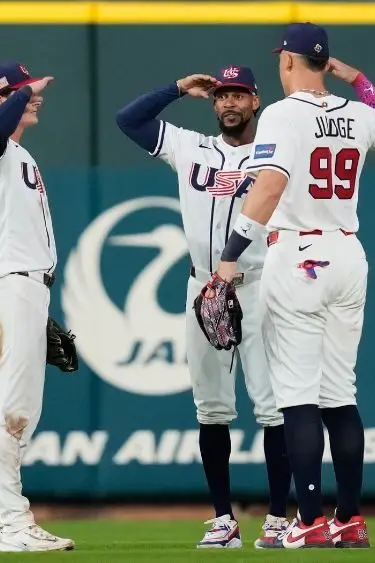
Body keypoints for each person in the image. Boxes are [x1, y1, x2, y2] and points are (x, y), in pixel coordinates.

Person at [206, 22, 375, 549]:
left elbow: (269, 185)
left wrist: (229, 258)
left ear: (289, 62)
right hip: (348, 252)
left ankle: (310, 520)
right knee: (340, 394)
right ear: (326, 63)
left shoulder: (280, 113)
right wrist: (359, 78)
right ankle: (351, 518)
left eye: (282, 58)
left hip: (297, 253)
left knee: (297, 395)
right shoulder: (360, 115)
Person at [115, 66, 293, 549]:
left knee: (273, 407)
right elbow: (128, 121)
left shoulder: (276, 152)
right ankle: (223, 520)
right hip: (203, 285)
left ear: (256, 101)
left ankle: (278, 518)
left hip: (259, 284)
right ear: (212, 104)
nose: (229, 103)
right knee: (211, 408)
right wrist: (175, 89)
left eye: (239, 95)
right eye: (221, 96)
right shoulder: (189, 145)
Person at [0, 60, 74, 553]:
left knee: (10, 409)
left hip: (23, 288)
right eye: (24, 92)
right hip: (9, 286)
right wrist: (17, 93)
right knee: (14, 410)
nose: (36, 98)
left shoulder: (18, 154)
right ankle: (14, 524)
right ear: (1, 98)